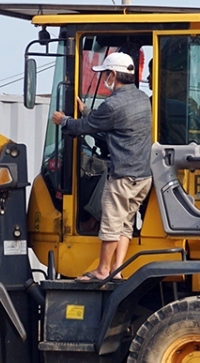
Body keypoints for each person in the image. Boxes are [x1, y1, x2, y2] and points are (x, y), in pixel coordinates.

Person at [52, 51, 152, 281]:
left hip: (123, 177)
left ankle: (103, 270)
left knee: (110, 225)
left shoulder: (113, 104)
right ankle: (117, 270)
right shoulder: (141, 99)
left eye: (106, 74)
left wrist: (64, 121)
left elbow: (84, 128)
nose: (105, 79)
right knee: (126, 224)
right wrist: (86, 111)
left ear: (113, 74)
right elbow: (105, 122)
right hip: (143, 177)